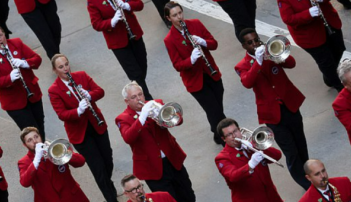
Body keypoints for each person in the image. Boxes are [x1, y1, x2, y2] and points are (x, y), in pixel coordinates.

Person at [116, 81, 197, 202]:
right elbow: (128, 137)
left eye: (140, 94)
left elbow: (178, 120)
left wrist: (160, 113)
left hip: (172, 160)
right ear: (127, 101)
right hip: (153, 169)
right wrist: (143, 116)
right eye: (134, 97)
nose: (138, 99)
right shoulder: (123, 118)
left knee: (188, 197)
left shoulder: (155, 104)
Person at [235, 28, 310, 190]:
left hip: (289, 105)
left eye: (256, 40)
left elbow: (291, 63)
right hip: (272, 115)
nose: (254, 44)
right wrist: (259, 62)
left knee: (301, 144)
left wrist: (274, 56)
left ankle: (310, 173)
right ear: (244, 46)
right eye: (250, 42)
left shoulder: (269, 53)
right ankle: (306, 184)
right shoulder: (241, 66)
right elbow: (247, 82)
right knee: (291, 152)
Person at [49, 54, 120, 202]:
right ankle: (112, 199)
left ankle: (107, 183)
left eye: (66, 64)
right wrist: (78, 110)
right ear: (55, 70)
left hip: (96, 124)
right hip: (79, 133)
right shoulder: (54, 90)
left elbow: (99, 91)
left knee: (107, 159)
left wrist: (90, 95)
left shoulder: (81, 76)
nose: (65, 68)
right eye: (61, 67)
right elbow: (62, 114)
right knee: (97, 167)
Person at [164, 2, 225, 145]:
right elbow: (177, 65)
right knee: (215, 110)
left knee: (217, 107)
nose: (179, 17)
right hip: (195, 82)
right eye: (175, 15)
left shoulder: (196, 24)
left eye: (180, 13)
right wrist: (190, 60)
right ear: (169, 18)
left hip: (211, 72)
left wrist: (203, 42)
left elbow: (214, 44)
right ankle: (225, 138)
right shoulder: (169, 39)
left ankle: (216, 132)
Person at [0, 25, 44, 138]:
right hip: (14, 102)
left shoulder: (16, 43)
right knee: (31, 133)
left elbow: (37, 59)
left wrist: (24, 63)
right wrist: (9, 78)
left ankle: (45, 152)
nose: (0, 39)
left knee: (40, 125)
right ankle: (38, 153)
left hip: (32, 93)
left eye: (1, 35)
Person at [88, 0, 151, 100]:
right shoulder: (93, 2)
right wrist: (112, 21)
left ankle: (138, 90)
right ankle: (147, 100)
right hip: (118, 42)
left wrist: (127, 5)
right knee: (135, 73)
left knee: (142, 65)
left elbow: (140, 4)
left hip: (134, 33)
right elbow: (96, 24)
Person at [278, 0, 345, 91]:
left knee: (339, 48)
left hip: (328, 21)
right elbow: (288, 18)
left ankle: (329, 77)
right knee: (326, 62)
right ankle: (340, 87)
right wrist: (308, 13)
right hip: (310, 35)